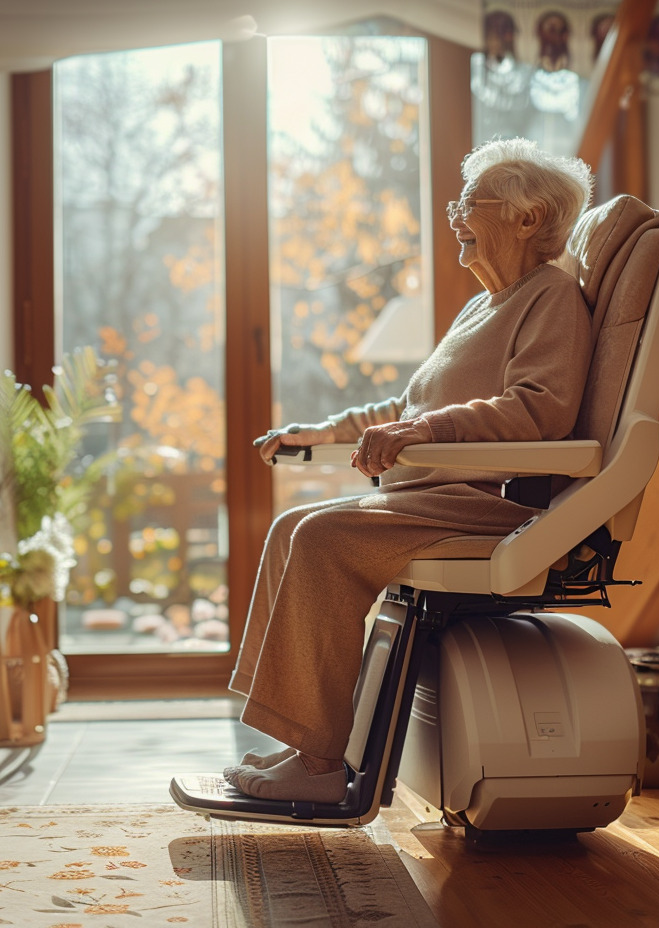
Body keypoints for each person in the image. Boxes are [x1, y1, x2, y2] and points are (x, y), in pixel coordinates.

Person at [222, 137, 595, 803]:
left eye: (468, 203)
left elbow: (538, 409)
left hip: (486, 500)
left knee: (321, 539)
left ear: (526, 218)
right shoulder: (483, 305)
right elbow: (409, 404)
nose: (454, 217)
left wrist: (423, 430)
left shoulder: (552, 298)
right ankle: (299, 735)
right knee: (290, 527)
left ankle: (317, 765)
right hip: (432, 490)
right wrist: (329, 431)